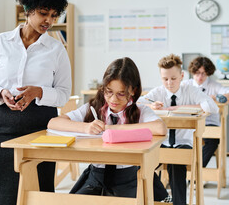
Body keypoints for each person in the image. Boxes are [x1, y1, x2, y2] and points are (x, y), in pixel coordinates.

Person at [0, 0, 71, 205]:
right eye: (43, 13)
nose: (48, 20)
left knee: (38, 196)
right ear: (28, 9)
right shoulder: (1, 42)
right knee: (0, 197)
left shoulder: (56, 50)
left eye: (54, 15)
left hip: (40, 129)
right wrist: (1, 93)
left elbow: (64, 94)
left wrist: (38, 92)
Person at [48, 57, 169, 201]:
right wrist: (86, 127)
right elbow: (53, 123)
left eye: (121, 93)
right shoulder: (93, 108)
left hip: (130, 179)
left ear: (133, 90)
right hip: (96, 177)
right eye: (109, 92)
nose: (113, 99)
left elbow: (160, 128)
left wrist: (110, 128)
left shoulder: (140, 111)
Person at [138, 54, 219, 205]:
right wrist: (151, 106)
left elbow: (212, 107)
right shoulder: (158, 92)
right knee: (140, 165)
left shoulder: (190, 90)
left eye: (173, 78)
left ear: (181, 76)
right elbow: (137, 104)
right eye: (165, 79)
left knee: (176, 163)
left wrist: (181, 108)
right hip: (161, 142)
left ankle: (179, 203)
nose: (169, 83)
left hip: (183, 143)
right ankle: (164, 196)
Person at [183, 56, 229, 167]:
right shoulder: (186, 85)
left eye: (203, 73)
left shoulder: (214, 85)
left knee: (213, 141)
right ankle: (185, 169)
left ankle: (197, 170)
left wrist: (215, 97)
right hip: (190, 122)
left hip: (209, 122)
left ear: (208, 73)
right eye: (198, 73)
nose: (200, 77)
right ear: (193, 72)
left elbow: (227, 94)